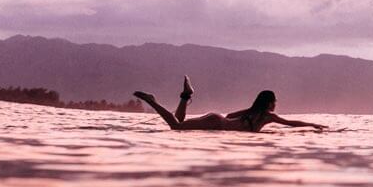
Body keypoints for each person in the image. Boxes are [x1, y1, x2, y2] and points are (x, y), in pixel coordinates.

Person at [133, 76, 326, 132]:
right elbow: (291, 123)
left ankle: (186, 96)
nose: (275, 105)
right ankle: (153, 101)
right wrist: (312, 124)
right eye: (274, 102)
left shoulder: (251, 111)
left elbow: (230, 116)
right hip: (216, 124)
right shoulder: (267, 116)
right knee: (176, 126)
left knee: (179, 125)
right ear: (270, 103)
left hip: (216, 120)